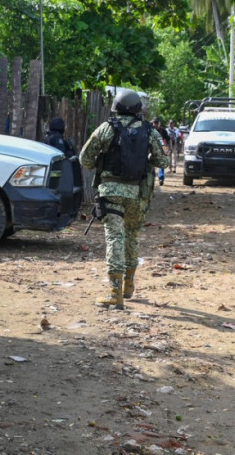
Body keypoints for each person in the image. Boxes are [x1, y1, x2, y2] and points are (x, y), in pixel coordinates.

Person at [80, 89, 168, 309]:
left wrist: (104, 158)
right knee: (131, 237)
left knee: (114, 238)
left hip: (111, 192)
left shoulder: (107, 128)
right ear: (139, 109)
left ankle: (114, 292)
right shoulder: (149, 131)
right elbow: (163, 161)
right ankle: (129, 285)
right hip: (138, 193)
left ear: (115, 107)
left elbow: (85, 159)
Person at [150, 117, 167, 185]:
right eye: (154, 122)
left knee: (161, 164)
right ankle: (152, 179)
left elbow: (166, 140)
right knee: (151, 165)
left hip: (161, 150)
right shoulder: (150, 129)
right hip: (151, 150)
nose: (155, 124)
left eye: (157, 122)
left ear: (159, 123)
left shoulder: (163, 131)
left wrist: (167, 151)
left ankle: (161, 178)